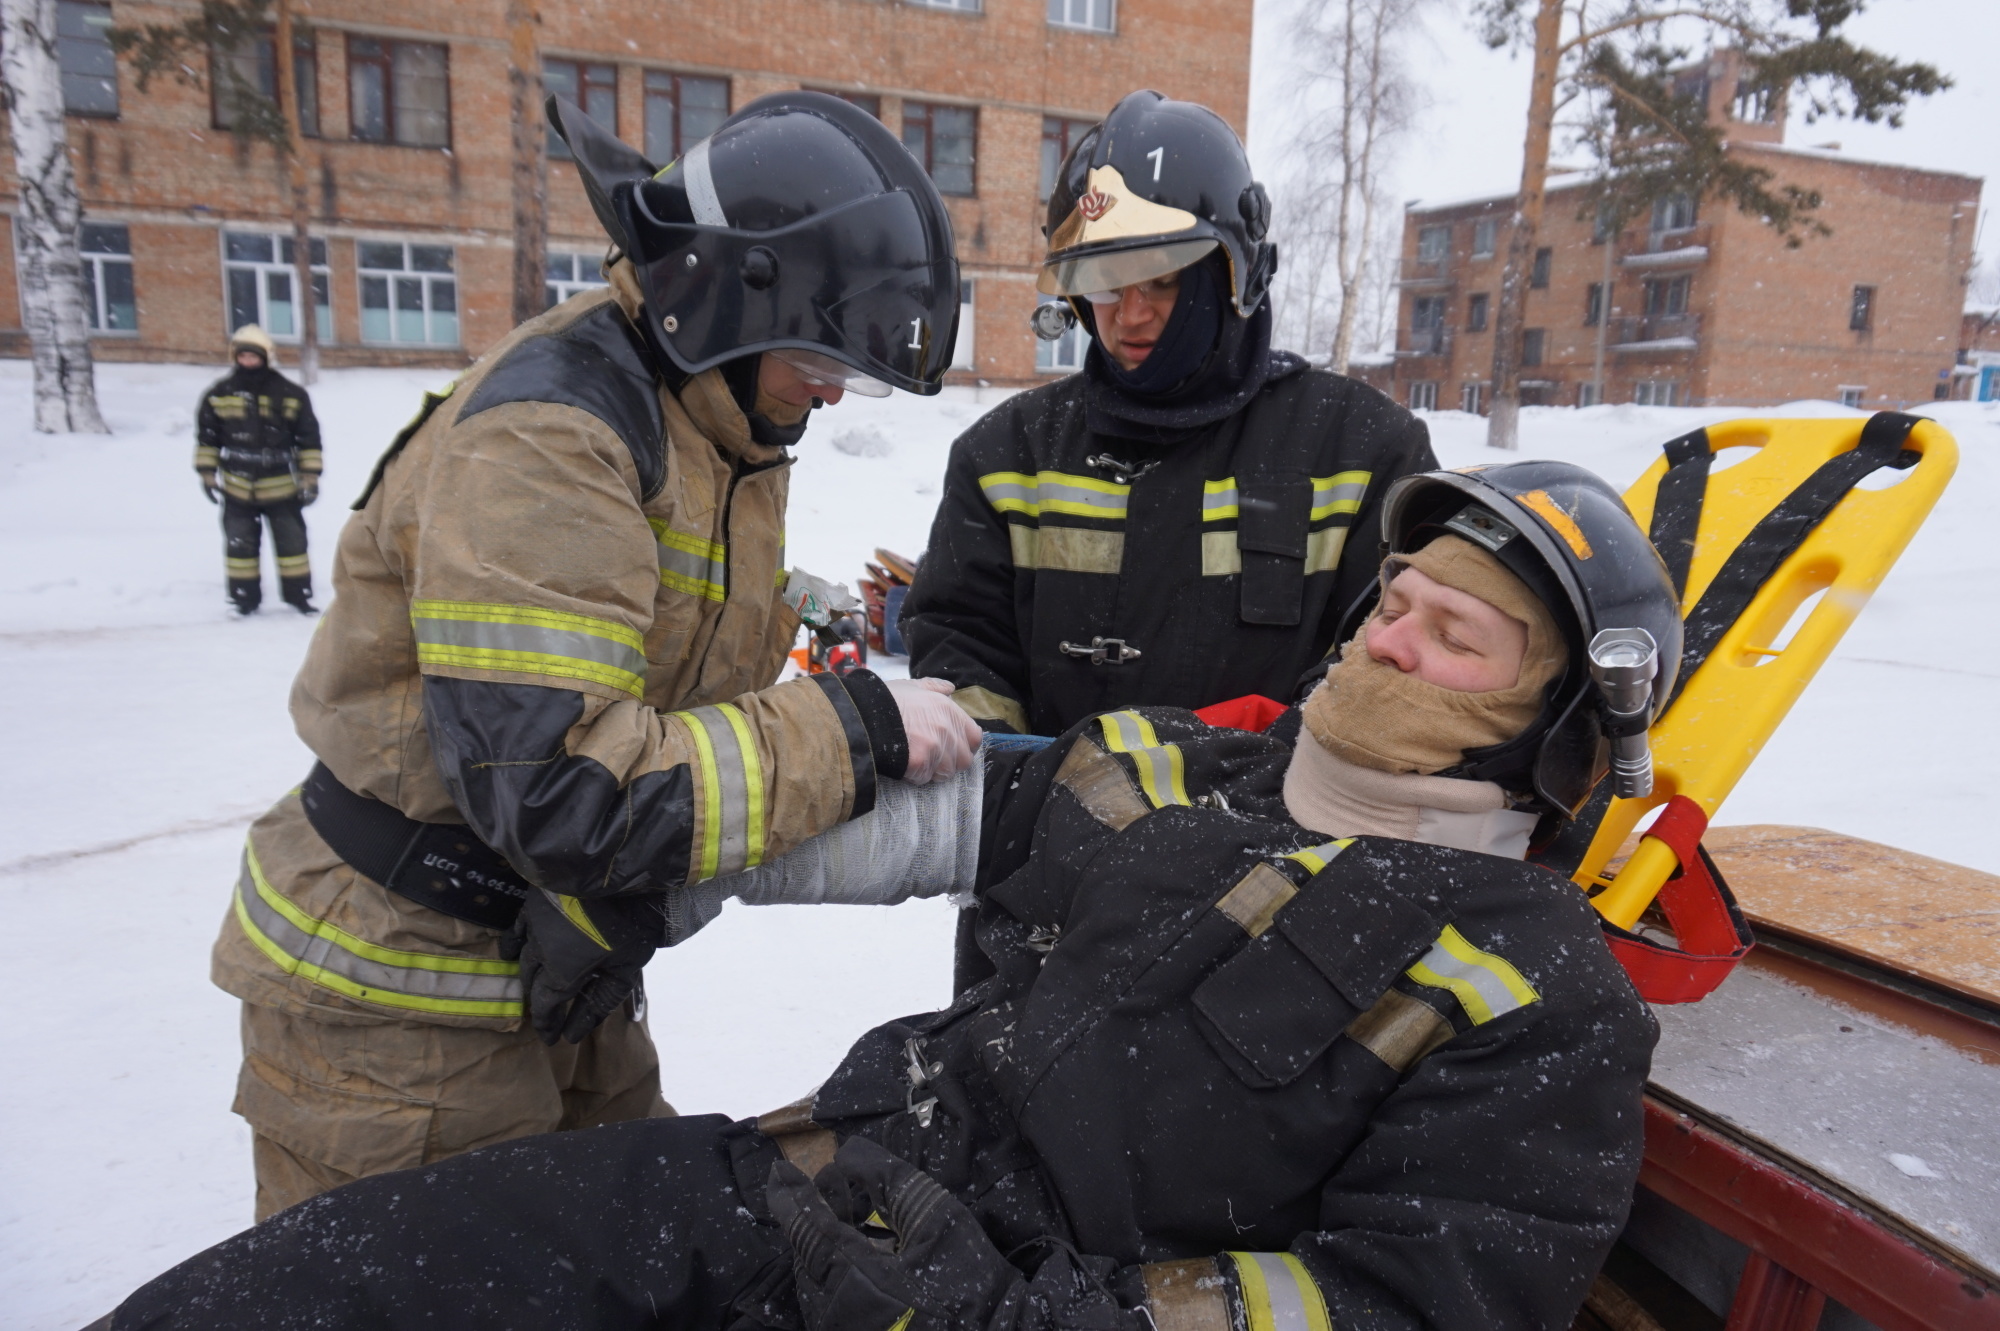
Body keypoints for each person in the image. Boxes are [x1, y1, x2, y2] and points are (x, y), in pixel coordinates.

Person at [106, 460, 1683, 1331]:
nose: (1388, 638)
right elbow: (892, 819)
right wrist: (585, 846)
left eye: (1452, 636)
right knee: (324, 1285)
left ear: (1552, 727)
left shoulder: (1533, 992)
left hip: (984, 1303)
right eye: (1393, 601)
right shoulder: (1187, 768)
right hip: (789, 1187)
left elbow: (1415, 1304)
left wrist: (1053, 1319)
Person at [204, 91, 982, 1221]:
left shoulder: (711, 425)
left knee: (627, 1258)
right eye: (823, 351)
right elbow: (564, 787)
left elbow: (661, 689)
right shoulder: (552, 437)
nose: (828, 389)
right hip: (397, 997)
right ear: (727, 293)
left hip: (558, 960)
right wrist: (855, 725)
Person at [900, 90, 1438, 740]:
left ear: (1234, 272)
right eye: (1101, 281)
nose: (1128, 314)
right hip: (1052, 831)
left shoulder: (1364, 452)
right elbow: (963, 645)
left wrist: (1241, 786)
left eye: (1159, 277)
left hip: (1276, 833)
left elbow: (1394, 667)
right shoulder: (1005, 456)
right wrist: (1024, 789)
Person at [194, 324, 323, 615]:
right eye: (243, 357)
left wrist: (309, 477)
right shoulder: (219, 394)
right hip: (237, 484)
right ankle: (243, 599)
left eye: (254, 357)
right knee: (240, 547)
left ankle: (298, 597)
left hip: (281, 486)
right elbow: (207, 438)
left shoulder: (290, 393)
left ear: (266, 357)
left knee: (293, 545)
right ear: (235, 357)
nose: (248, 362)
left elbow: (309, 439)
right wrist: (206, 473)